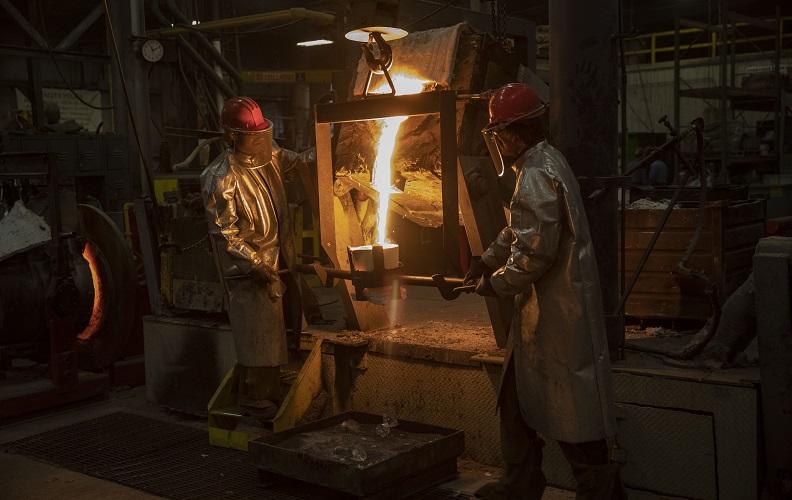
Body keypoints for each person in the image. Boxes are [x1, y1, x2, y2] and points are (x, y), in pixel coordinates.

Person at [468, 83, 625, 499]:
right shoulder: (545, 162)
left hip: (558, 318)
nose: (497, 140)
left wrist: (495, 283)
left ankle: (603, 494)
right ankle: (519, 486)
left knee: (574, 420)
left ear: (514, 132)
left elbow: (534, 255)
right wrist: (486, 258)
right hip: (545, 315)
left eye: (498, 132)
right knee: (516, 402)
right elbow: (519, 227)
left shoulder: (536, 173)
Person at [201, 96, 301, 419]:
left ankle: (272, 386)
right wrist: (254, 262)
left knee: (282, 326)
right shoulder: (219, 177)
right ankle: (255, 397)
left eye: (261, 133)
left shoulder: (267, 156)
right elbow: (225, 233)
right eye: (251, 135)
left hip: (279, 256)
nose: (258, 139)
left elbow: (301, 160)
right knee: (258, 336)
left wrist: (334, 153)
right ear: (232, 136)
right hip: (249, 270)